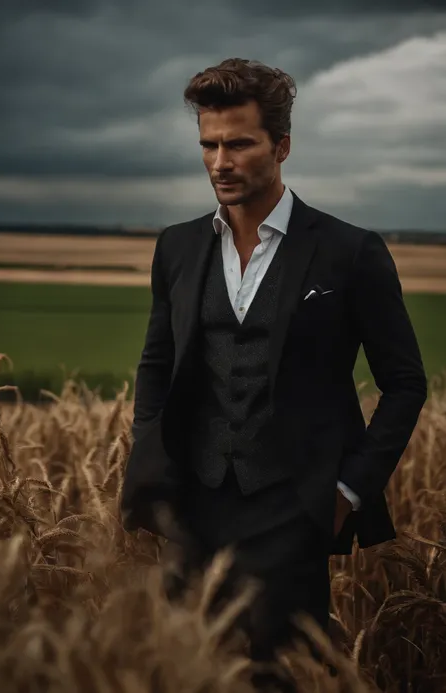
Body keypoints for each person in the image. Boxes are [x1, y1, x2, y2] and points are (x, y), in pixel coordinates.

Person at [121, 58, 427, 690]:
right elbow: (156, 365)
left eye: (239, 143)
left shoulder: (350, 250)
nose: (220, 162)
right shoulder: (176, 248)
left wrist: (345, 495)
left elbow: (405, 383)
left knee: (278, 676)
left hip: (293, 508)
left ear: (281, 145)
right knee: (184, 672)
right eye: (208, 144)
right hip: (191, 506)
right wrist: (152, 465)